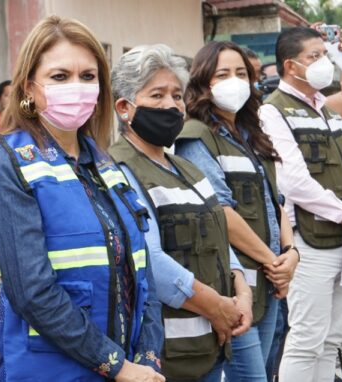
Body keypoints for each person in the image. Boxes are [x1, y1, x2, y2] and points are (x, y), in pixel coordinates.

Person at [0, 16, 164, 382]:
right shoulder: (4, 163)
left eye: (88, 77)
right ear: (30, 88)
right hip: (53, 370)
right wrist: (117, 365)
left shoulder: (106, 163)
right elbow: (32, 292)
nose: (77, 88)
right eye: (60, 77)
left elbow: (142, 270)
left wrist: (149, 358)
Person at [108, 44, 253, 381]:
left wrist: (242, 290)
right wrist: (217, 307)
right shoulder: (117, 169)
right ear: (125, 108)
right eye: (157, 95)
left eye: (177, 95)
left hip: (212, 343)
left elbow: (218, 235)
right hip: (167, 354)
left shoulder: (187, 169)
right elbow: (150, 259)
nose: (171, 105)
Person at [260, 26, 342, 382]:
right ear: (290, 65)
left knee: (331, 339)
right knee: (307, 338)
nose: (322, 63)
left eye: (324, 55)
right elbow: (293, 181)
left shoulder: (326, 111)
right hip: (309, 241)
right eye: (315, 56)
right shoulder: (272, 112)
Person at [177, 41, 298, 381]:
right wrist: (272, 261)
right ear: (204, 82)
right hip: (235, 284)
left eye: (241, 73)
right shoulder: (196, 137)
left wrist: (291, 253)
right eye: (223, 73)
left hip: (270, 280)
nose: (235, 80)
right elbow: (220, 211)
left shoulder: (250, 134)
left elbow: (276, 201)